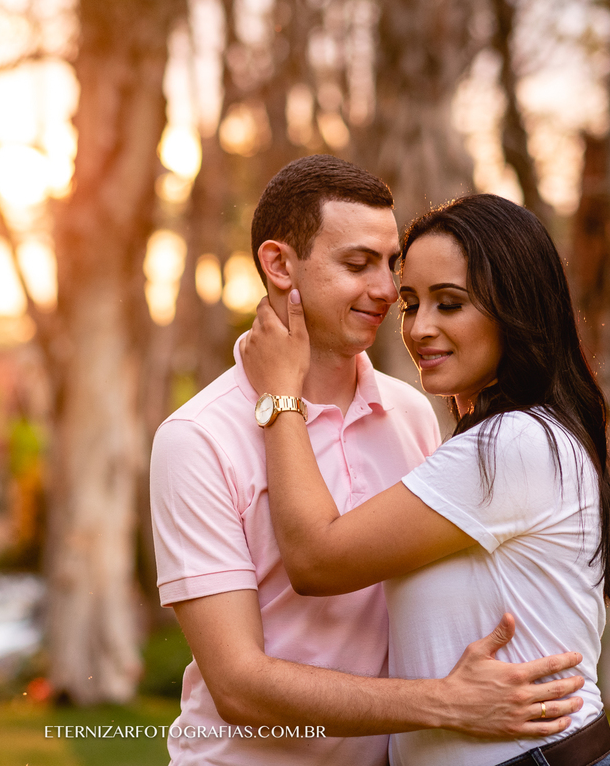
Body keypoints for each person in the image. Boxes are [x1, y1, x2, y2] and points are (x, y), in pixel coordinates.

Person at [150, 157, 586, 766]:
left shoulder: (412, 412)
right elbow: (237, 685)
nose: (385, 291)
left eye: (390, 266)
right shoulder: (197, 437)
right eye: (357, 264)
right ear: (279, 265)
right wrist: (442, 703)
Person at [240, 192, 610, 766]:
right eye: (410, 304)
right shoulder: (502, 437)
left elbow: (314, 559)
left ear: (516, 309)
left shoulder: (510, 444)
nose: (420, 329)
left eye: (450, 303)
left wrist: (280, 394)